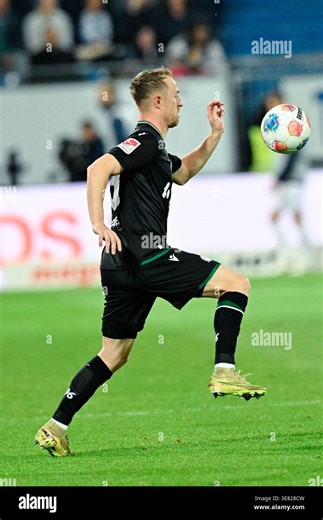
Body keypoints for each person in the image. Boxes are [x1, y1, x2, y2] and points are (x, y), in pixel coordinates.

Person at [34, 67, 266, 457]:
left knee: (115, 353)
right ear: (157, 101)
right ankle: (224, 370)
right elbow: (97, 168)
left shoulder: (155, 150)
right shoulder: (142, 140)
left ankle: (55, 426)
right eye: (175, 93)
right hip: (148, 254)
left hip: (120, 265)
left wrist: (214, 136)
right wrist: (97, 223)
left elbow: (185, 171)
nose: (180, 100)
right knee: (236, 283)